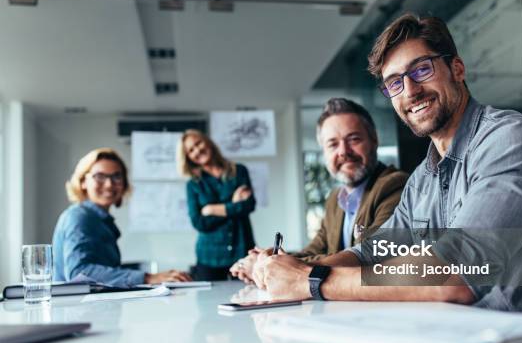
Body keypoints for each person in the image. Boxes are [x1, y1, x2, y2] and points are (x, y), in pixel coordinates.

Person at [252, 13, 522, 314]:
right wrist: (289, 268)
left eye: (421, 70)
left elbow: (455, 276)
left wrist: (310, 282)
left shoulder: (511, 141)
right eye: (394, 83)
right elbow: (371, 252)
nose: (409, 91)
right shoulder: (423, 178)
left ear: (457, 68)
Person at [230, 98, 408, 282]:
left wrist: (270, 266)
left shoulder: (394, 186)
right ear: (324, 151)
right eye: (332, 144)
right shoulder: (335, 199)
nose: (343, 151)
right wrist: (269, 260)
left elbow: (370, 255)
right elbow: (315, 250)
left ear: (374, 140)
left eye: (354, 139)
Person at [53, 148, 191, 287]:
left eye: (116, 177)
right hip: (75, 307)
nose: (109, 184)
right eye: (100, 176)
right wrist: (147, 278)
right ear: (83, 181)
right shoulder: (79, 217)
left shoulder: (100, 220)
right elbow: (79, 272)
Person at [178, 129, 256, 281]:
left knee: (248, 299)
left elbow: (249, 205)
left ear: (208, 141)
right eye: (191, 150)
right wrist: (233, 205)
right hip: (209, 258)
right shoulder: (193, 184)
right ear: (188, 157)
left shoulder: (239, 171)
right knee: (208, 303)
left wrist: (212, 209)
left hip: (242, 251)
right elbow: (199, 222)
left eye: (198, 143)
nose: (197, 150)